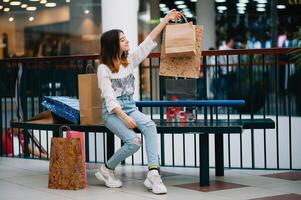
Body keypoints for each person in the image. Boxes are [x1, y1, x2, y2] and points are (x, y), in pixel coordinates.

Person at [95, 9, 181, 194]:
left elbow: (148, 42)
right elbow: (110, 100)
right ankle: (106, 169)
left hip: (130, 107)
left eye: (126, 38)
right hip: (112, 113)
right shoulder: (103, 69)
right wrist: (124, 118)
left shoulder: (129, 61)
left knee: (150, 125)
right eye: (122, 39)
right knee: (133, 142)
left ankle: (153, 174)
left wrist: (166, 19)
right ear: (113, 45)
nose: (127, 41)